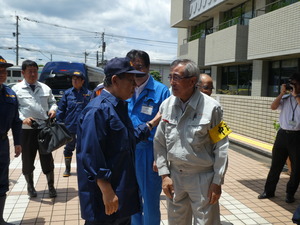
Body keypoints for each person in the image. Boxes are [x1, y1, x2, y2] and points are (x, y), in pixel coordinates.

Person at [76, 57, 161, 225]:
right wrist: (106, 189)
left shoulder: (117, 106)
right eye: (130, 80)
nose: (135, 85)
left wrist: (151, 123)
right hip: (105, 195)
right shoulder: (98, 110)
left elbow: (126, 139)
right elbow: (91, 154)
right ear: (115, 80)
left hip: (120, 189)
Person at [154, 59, 230, 225]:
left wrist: (217, 181)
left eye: (177, 77)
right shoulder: (166, 105)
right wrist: (164, 174)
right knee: (176, 221)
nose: (172, 82)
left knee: (206, 222)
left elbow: (222, 146)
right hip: (175, 177)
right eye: (170, 77)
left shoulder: (213, 108)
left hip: (202, 178)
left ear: (192, 81)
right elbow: (159, 142)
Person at [125, 50, 170, 225]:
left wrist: (160, 156)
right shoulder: (126, 87)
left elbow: (167, 127)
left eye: (139, 67)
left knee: (150, 201)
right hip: (128, 151)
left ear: (148, 68)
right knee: (131, 198)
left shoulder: (161, 91)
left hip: (149, 152)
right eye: (132, 68)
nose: (135, 72)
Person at [12, 60, 58, 198]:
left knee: (47, 158)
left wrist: (53, 110)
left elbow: (53, 102)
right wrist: (22, 118)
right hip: (26, 130)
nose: (33, 74)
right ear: (23, 73)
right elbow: (15, 109)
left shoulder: (45, 88)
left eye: (35, 71)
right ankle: (30, 187)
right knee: (27, 159)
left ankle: (51, 186)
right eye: (29, 71)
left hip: (44, 128)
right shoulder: (16, 89)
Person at [258, 72, 300, 203]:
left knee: (297, 168)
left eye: (294, 83)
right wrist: (282, 93)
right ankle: (268, 191)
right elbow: (273, 107)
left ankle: (290, 193)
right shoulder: (286, 98)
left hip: (297, 136)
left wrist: (296, 95)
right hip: (282, 135)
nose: (292, 86)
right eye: (290, 83)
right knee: (275, 165)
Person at [56, 71, 92, 177]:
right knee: (69, 148)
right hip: (70, 126)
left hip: (84, 127)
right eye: (73, 79)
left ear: (82, 81)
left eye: (77, 79)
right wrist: (59, 123)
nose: (74, 81)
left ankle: (83, 169)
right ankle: (67, 169)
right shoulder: (67, 94)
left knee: (83, 148)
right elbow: (61, 109)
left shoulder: (89, 94)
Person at [0, 56, 22, 225]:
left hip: (2, 145)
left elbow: (16, 121)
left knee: (2, 183)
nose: (2, 74)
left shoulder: (10, 93)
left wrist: (17, 142)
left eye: (4, 71)